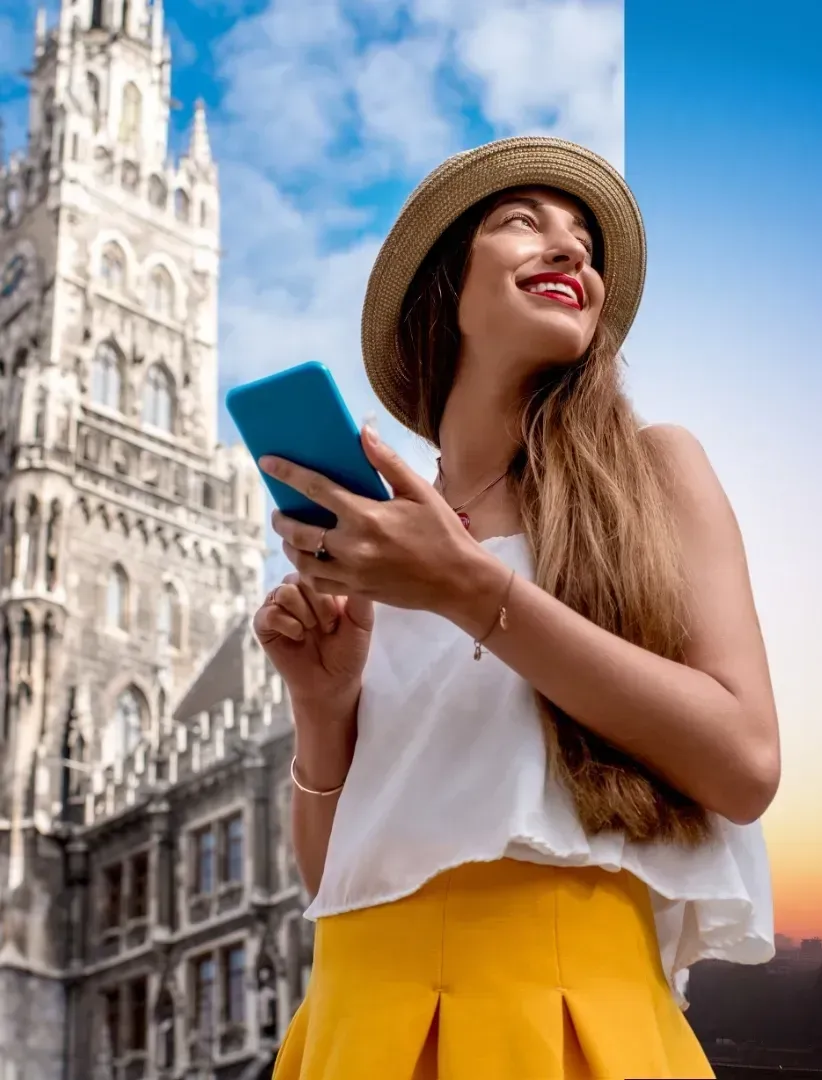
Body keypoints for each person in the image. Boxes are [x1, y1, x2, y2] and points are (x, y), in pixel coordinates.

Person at [254, 136, 779, 1079]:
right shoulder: (381, 544)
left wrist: (471, 590)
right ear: (444, 290)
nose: (572, 249)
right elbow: (339, 881)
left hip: (573, 1024)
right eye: (522, 222)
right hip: (352, 1022)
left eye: (584, 240)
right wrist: (323, 709)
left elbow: (744, 763)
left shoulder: (659, 473)